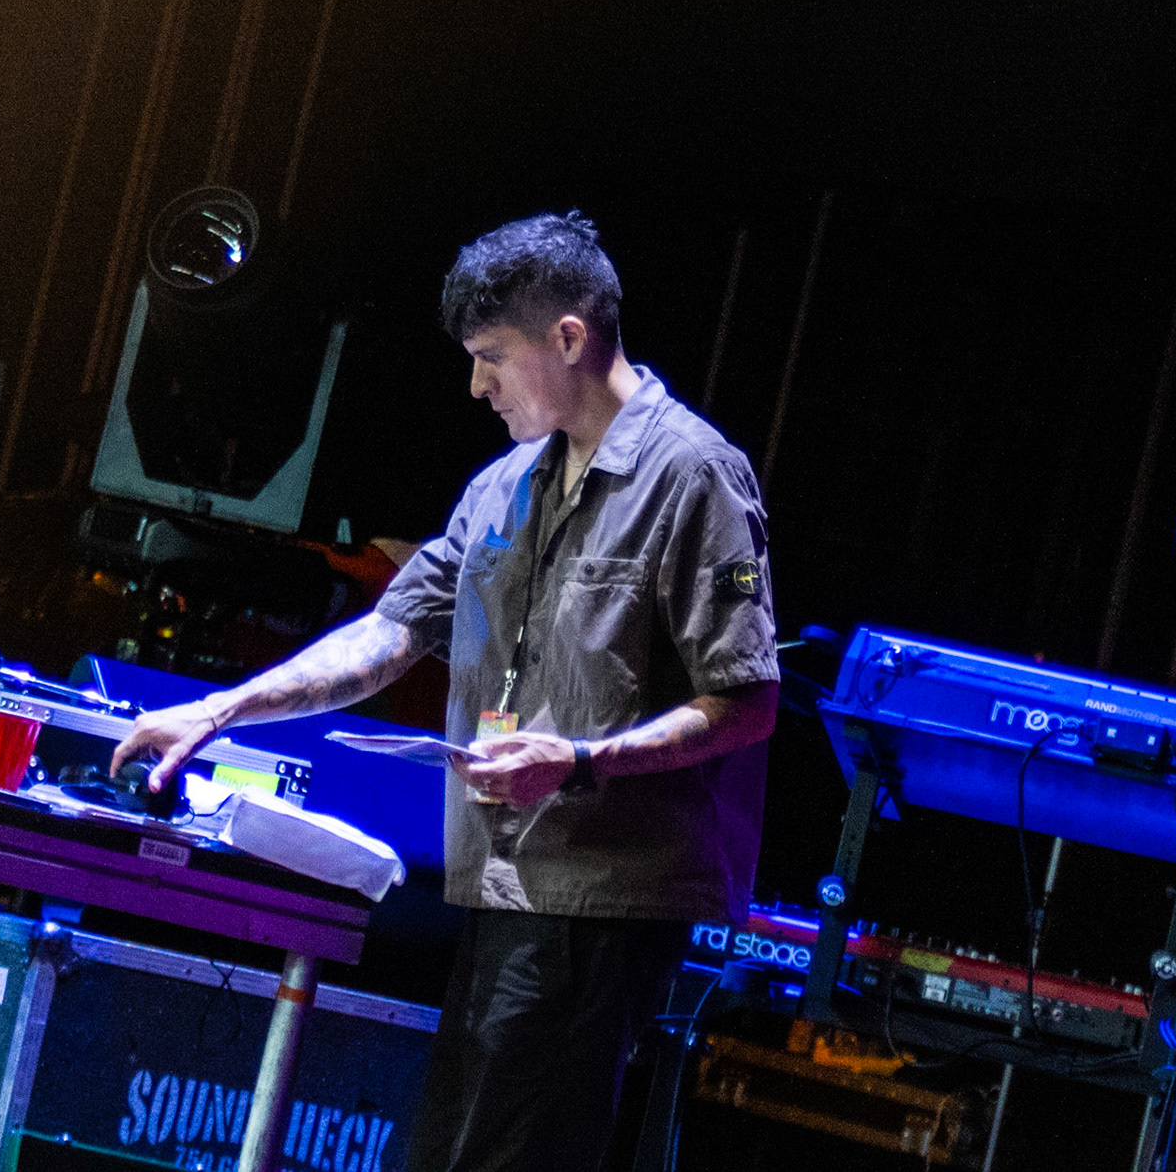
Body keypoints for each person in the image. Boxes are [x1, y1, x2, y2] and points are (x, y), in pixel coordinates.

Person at [113, 210, 780, 1172]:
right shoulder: (505, 484)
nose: (477, 385)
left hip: (599, 903)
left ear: (569, 338)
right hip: (502, 888)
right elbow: (391, 630)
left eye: (493, 357)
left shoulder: (695, 475)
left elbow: (746, 701)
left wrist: (579, 760)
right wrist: (219, 709)